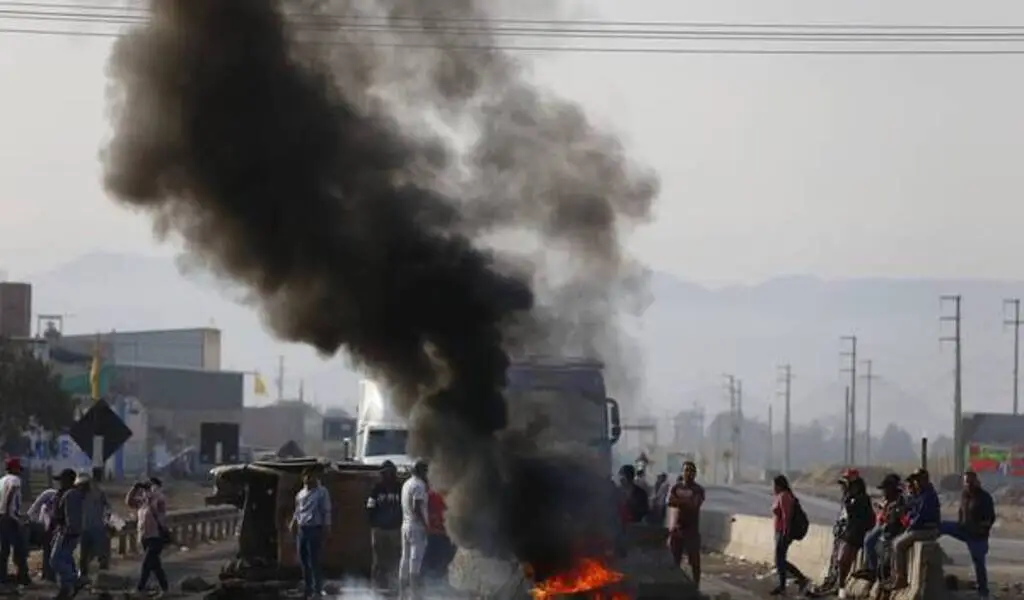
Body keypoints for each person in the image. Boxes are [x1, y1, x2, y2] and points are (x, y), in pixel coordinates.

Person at [939, 471, 995, 599]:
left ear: (976, 482)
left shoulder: (984, 497)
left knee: (979, 563)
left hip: (977, 536)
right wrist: (960, 522)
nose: (968, 485)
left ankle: (983, 593)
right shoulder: (965, 494)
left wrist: (982, 529)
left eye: (970, 482)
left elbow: (990, 518)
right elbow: (961, 510)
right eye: (966, 482)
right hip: (963, 529)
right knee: (942, 526)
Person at [888, 469, 940, 591]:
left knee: (898, 544)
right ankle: (895, 575)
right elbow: (912, 511)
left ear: (924, 480)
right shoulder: (921, 495)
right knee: (895, 541)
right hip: (919, 528)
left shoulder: (929, 495)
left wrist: (909, 526)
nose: (916, 483)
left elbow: (921, 516)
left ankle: (901, 578)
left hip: (928, 529)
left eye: (918, 480)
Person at [852, 473, 907, 583]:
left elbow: (898, 519)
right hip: (884, 526)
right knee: (867, 538)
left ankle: (873, 570)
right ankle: (869, 567)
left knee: (869, 541)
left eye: (886, 489)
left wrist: (888, 516)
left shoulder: (900, 501)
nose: (884, 492)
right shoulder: (888, 500)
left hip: (891, 530)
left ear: (892, 489)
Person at [290, 468, 331, 600]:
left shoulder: (321, 492)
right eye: (306, 476)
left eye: (310, 476)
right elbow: (297, 511)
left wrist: (327, 526)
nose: (308, 479)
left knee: (314, 560)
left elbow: (326, 510)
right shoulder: (300, 494)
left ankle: (317, 589)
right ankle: (308, 589)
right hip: (302, 529)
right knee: (303, 560)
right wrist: (293, 522)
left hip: (315, 528)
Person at [126, 477, 170, 597]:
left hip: (156, 537)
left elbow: (158, 506)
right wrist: (135, 488)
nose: (147, 489)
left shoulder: (159, 499)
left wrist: (151, 492)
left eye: (150, 486)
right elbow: (129, 502)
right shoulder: (143, 502)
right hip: (145, 537)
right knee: (155, 565)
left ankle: (140, 589)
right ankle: (165, 588)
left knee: (146, 564)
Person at [769, 474, 810, 596]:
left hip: (783, 532)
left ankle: (801, 579)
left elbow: (787, 516)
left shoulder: (784, 496)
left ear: (779, 485)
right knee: (779, 560)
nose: (773, 488)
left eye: (774, 485)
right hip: (779, 531)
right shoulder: (780, 496)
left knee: (779, 560)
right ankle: (783, 585)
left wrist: (786, 533)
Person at [666, 461, 705, 588]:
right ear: (682, 472)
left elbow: (695, 505)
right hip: (677, 530)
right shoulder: (676, 488)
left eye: (690, 470)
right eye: (685, 470)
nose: (688, 473)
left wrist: (680, 502)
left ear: (695, 473)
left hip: (691, 531)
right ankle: (674, 586)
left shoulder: (698, 489)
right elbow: (670, 502)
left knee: (694, 562)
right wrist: (685, 501)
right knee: (674, 561)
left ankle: (695, 586)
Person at [366, 461, 402, 591]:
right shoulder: (377, 488)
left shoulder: (400, 487)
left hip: (395, 529)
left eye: (389, 472)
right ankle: (377, 585)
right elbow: (370, 507)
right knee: (378, 560)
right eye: (385, 472)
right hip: (379, 530)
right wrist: (374, 525)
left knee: (395, 558)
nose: (387, 475)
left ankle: (394, 584)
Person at [51, 468, 85, 600]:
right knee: (65, 560)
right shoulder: (66, 493)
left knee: (55, 561)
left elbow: (72, 517)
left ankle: (75, 580)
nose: (60, 483)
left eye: (62, 480)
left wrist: (67, 532)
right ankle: (66, 590)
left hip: (67, 533)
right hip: (64, 531)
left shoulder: (71, 494)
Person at [399, 459, 429, 599]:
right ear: (422, 471)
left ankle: (402, 591)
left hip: (405, 524)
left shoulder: (406, 483)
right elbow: (417, 506)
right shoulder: (419, 485)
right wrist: (425, 525)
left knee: (404, 558)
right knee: (415, 559)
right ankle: (414, 593)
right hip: (416, 525)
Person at [0, 457, 29, 586]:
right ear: (13, 468)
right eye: (17, 468)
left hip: (2, 516)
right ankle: (23, 576)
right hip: (10, 517)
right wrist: (7, 510)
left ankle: (2, 576)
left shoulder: (1, 480)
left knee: (4, 548)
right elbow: (11, 490)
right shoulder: (15, 480)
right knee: (20, 547)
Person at [77, 472, 111, 582]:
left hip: (98, 528)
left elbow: (108, 508)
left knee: (101, 554)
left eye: (84, 484)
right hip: (83, 529)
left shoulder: (98, 493)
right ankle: (83, 576)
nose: (81, 486)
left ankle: (103, 578)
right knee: (83, 555)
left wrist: (107, 520)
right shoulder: (77, 495)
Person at [26, 485, 58, 582]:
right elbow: (35, 508)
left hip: (53, 525)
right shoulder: (50, 494)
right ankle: (48, 574)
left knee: (50, 550)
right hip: (47, 525)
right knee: (49, 550)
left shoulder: (53, 495)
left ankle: (49, 574)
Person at [423, 486, 454, 579]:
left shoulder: (430, 495)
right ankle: (431, 584)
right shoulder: (431, 495)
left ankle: (435, 584)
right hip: (436, 535)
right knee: (434, 563)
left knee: (439, 563)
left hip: (442, 535)